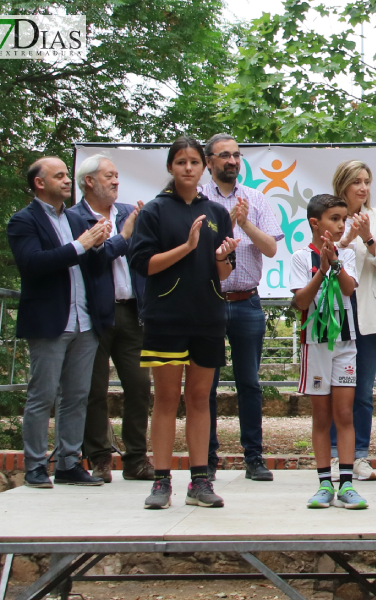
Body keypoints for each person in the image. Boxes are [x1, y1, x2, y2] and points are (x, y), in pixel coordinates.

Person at [129, 136, 239, 510]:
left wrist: (223, 256)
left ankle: (200, 481)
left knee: (199, 399)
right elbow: (143, 264)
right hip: (166, 317)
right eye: (181, 162)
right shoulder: (155, 211)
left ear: (204, 166)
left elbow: (223, 274)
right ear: (171, 168)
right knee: (165, 399)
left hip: (208, 317)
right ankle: (161, 481)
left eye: (194, 162)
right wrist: (188, 247)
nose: (188, 168)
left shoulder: (217, 213)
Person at [8, 156, 111, 488]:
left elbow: (92, 264)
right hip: (50, 321)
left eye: (68, 175)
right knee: (43, 395)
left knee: (77, 396)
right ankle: (36, 466)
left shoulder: (74, 218)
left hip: (84, 321)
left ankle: (68, 463)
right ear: (40, 183)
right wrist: (80, 245)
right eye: (60, 176)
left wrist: (98, 244)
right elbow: (33, 264)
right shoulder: (23, 221)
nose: (68, 180)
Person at [199, 133, 284, 482]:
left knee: (249, 383)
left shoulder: (256, 198)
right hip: (208, 302)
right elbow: (196, 250)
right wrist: (227, 223)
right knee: (206, 384)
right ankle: (207, 458)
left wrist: (245, 221)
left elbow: (271, 249)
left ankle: (254, 457)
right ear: (209, 162)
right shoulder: (198, 199)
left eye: (236, 155)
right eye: (224, 156)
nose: (232, 161)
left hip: (247, 301)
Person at [69, 153, 154, 483]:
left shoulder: (126, 213)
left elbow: (144, 256)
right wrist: (123, 235)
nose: (116, 181)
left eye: (117, 175)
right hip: (95, 313)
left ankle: (136, 459)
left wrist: (136, 230)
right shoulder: (75, 218)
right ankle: (100, 458)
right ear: (89, 182)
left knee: (139, 386)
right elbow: (92, 262)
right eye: (109, 176)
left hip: (132, 311)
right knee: (94, 390)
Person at [291, 193, 368, 509]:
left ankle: (347, 484)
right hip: (316, 344)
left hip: (346, 344)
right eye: (334, 219)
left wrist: (334, 263)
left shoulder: (346, 254)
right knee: (321, 417)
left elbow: (349, 289)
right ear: (315, 222)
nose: (341, 225)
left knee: (344, 414)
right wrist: (321, 270)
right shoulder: (300, 258)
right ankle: (324, 483)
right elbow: (301, 302)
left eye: (343, 219)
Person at [333, 160, 376, 481]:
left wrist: (368, 236)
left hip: (369, 316)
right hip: (334, 315)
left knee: (362, 389)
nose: (363, 187)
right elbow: (321, 253)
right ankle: (333, 455)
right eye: (356, 181)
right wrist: (345, 235)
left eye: (367, 181)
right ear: (342, 184)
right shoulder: (331, 214)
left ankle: (359, 456)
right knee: (334, 388)